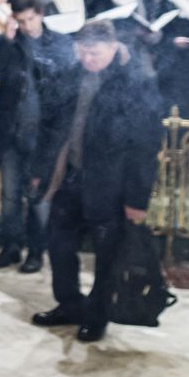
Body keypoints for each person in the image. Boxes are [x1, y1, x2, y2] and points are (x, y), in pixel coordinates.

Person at [31, 21, 163, 343]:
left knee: (107, 256)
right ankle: (69, 304)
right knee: (59, 244)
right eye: (82, 51)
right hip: (70, 177)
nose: (87, 58)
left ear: (113, 47)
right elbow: (51, 127)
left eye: (94, 53)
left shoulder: (136, 82)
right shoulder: (72, 75)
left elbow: (145, 146)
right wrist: (41, 169)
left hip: (111, 185)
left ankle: (97, 315)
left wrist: (137, 200)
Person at [0, 0, 76, 274]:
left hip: (42, 135)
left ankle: (36, 251)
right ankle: (11, 246)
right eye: (20, 21)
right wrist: (7, 40)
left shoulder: (59, 43)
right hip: (11, 132)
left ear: (41, 14)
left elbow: (66, 89)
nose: (26, 26)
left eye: (30, 19)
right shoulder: (7, 42)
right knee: (9, 195)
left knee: (37, 197)